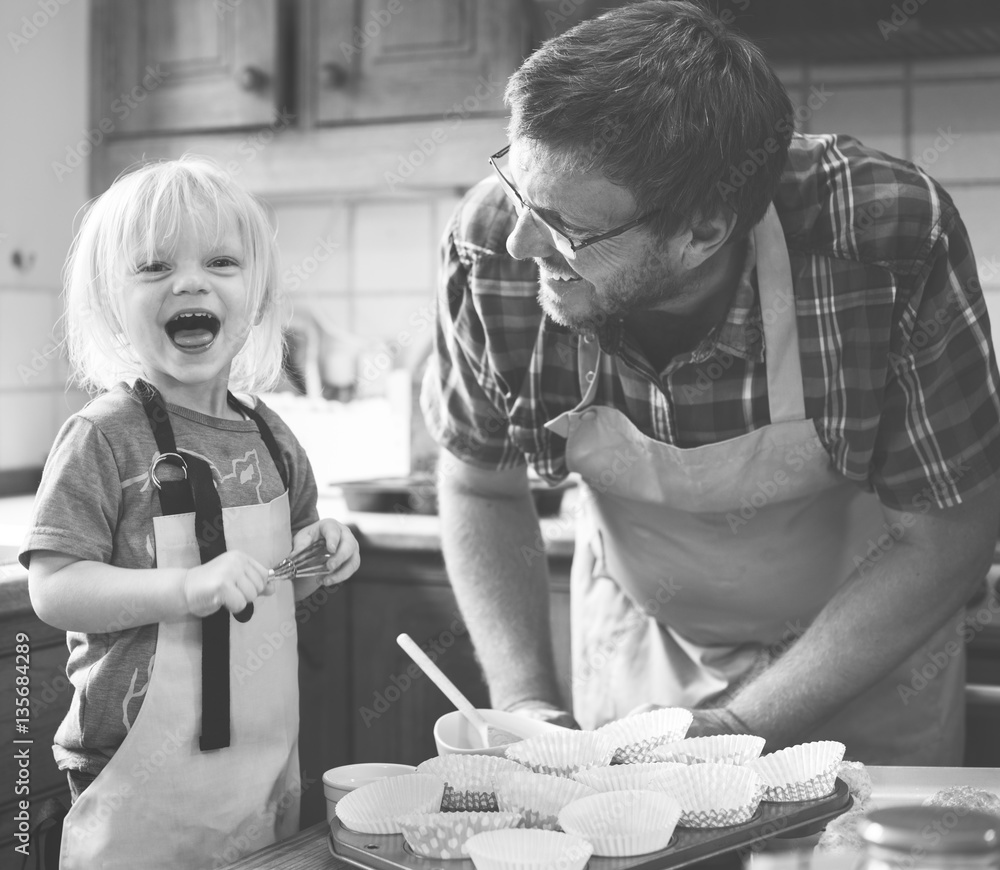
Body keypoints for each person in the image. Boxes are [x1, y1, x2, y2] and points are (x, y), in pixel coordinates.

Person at [421, 0, 1000, 765]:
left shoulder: (883, 237)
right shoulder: (494, 245)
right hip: (643, 646)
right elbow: (480, 489)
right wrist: (525, 702)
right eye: (516, 189)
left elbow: (950, 532)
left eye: (567, 229)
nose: (524, 241)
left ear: (702, 230)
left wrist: (739, 727)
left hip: (866, 659)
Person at [21, 156, 361, 869]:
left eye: (221, 261)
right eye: (153, 267)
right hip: (132, 774)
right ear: (113, 303)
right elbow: (53, 588)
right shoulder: (104, 436)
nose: (190, 281)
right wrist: (185, 588)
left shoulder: (272, 436)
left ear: (258, 298)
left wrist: (322, 549)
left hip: (259, 765)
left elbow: (286, 579)